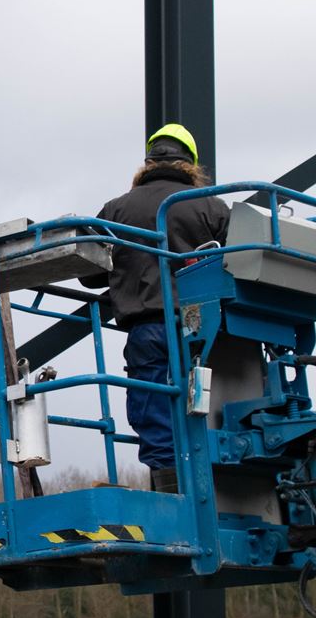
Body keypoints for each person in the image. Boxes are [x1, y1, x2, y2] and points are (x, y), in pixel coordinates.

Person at [81, 123, 229, 486]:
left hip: (146, 329)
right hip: (204, 330)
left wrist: (130, 265)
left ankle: (171, 494)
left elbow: (89, 273)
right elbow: (236, 264)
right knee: (210, 408)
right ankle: (216, 486)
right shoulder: (211, 206)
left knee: (154, 415)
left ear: (148, 161)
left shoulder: (116, 209)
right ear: (191, 163)